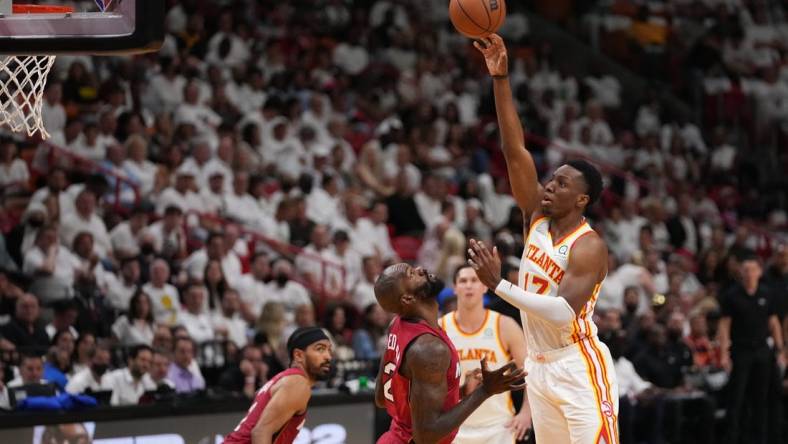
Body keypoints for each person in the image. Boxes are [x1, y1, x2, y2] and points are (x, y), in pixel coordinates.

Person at [472, 34, 619, 443]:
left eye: (561, 183)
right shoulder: (535, 216)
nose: (549, 187)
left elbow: (561, 313)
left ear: (583, 199)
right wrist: (500, 77)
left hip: (578, 365)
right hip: (537, 368)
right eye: (551, 180)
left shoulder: (589, 245)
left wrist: (498, 284)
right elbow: (513, 147)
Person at [374, 263, 525, 444]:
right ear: (407, 298)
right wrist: (485, 391)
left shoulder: (397, 325)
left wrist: (458, 392)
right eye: (412, 274)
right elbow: (426, 437)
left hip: (395, 437)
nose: (421, 268)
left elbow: (381, 398)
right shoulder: (430, 348)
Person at [439, 265, 532, 443]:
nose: (468, 285)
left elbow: (530, 372)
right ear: (455, 287)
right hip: (453, 427)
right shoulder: (440, 327)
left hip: (499, 427)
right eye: (463, 281)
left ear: (484, 287)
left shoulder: (505, 325)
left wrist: (526, 413)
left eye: (474, 280)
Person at [222, 326, 333, 444]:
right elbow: (260, 432)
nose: (328, 356)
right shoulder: (297, 383)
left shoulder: (285, 379)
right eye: (320, 349)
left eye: (329, 350)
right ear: (298, 355)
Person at [717, 255, 786, 444]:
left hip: (763, 351)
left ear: (759, 272)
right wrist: (724, 353)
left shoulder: (766, 293)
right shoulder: (731, 295)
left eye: (752, 270)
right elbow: (724, 326)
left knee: (761, 398)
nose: (749, 273)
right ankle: (733, 437)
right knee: (737, 398)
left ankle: (759, 438)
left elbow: (774, 323)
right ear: (741, 272)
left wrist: (780, 349)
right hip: (741, 351)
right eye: (745, 270)